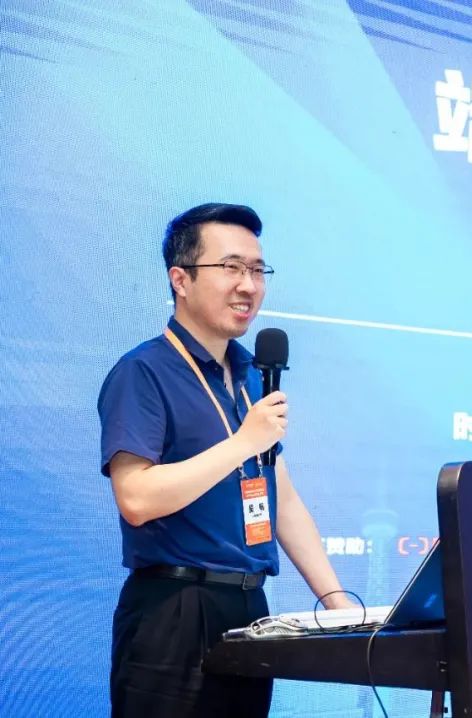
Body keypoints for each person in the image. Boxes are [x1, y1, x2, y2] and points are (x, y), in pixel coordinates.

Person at [98, 203, 350, 717]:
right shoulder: (144, 372)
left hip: (250, 611)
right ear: (181, 280)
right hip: (175, 608)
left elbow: (280, 496)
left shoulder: (253, 375)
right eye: (231, 267)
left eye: (257, 270)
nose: (248, 285)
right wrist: (242, 442)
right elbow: (136, 498)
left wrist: (336, 601)